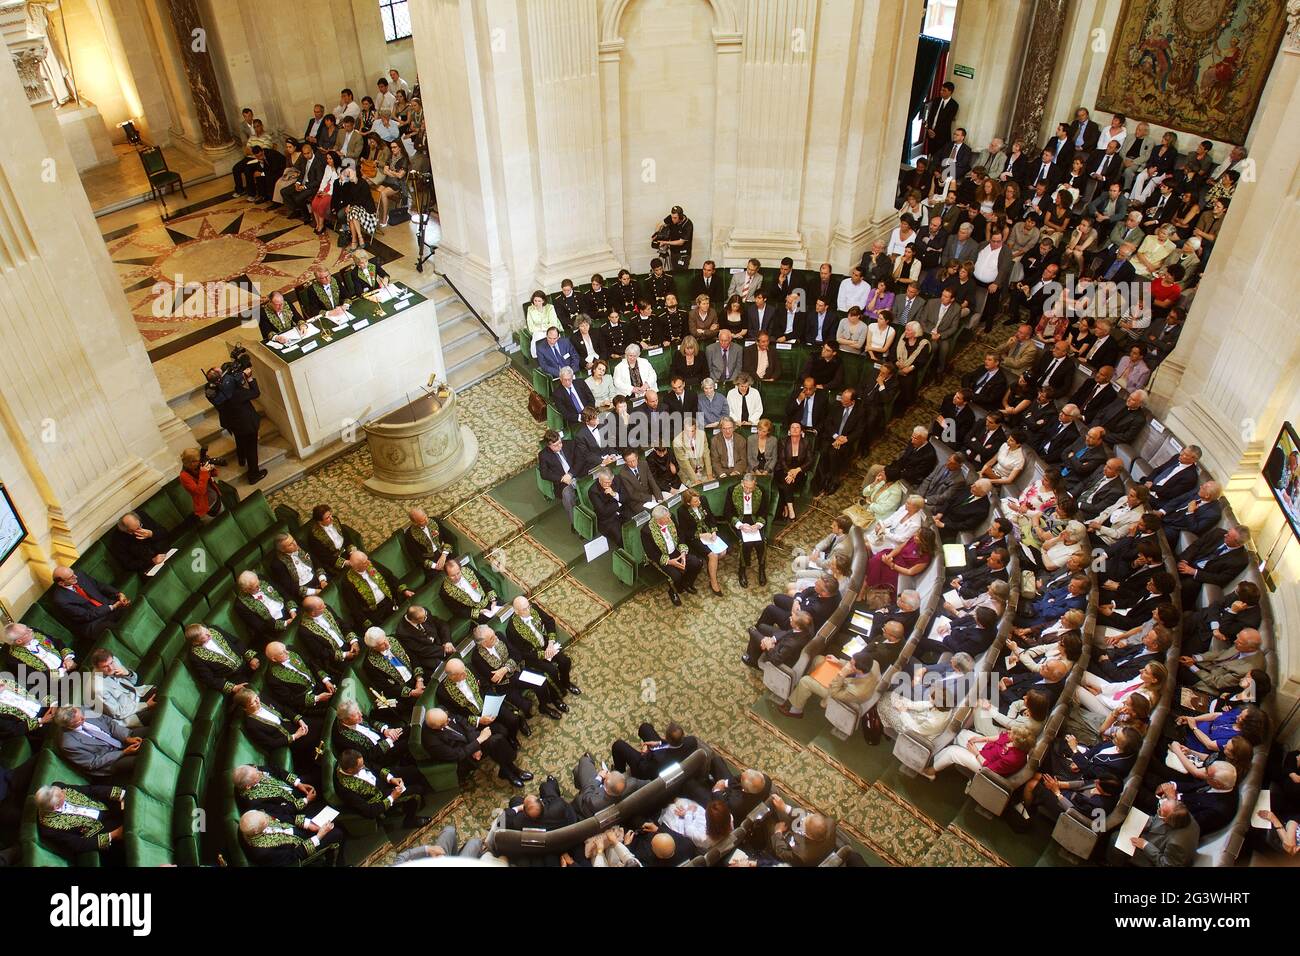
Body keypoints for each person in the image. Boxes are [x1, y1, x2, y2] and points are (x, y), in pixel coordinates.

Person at [203, 356, 264, 484]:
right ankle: (254, 474)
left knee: (239, 439)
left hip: (231, 423)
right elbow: (255, 393)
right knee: (251, 449)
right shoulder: (236, 393)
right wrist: (249, 378)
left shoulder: (211, 392)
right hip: (246, 423)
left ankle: (241, 459)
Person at [34, 782, 126, 862]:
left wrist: (121, 794)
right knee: (129, 827)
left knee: (129, 795)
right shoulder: (48, 829)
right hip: (100, 829)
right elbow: (78, 844)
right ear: (56, 807)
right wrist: (113, 835)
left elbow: (89, 790)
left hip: (103, 805)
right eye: (62, 794)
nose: (64, 791)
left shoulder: (58, 787)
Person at [54, 706, 141, 779]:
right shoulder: (68, 744)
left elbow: (108, 721)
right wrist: (123, 752)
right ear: (69, 726)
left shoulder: (83, 710)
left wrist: (126, 738)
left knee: (147, 737)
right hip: (110, 761)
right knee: (142, 760)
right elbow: (93, 763)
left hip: (118, 737)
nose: (84, 718)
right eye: (79, 720)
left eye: (82, 715)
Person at [47, 567, 127, 644]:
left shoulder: (80, 574)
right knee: (117, 630)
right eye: (71, 577)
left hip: (106, 606)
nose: (76, 576)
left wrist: (118, 594)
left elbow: (99, 586)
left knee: (130, 610)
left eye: (73, 573)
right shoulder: (60, 600)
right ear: (61, 583)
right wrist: (112, 607)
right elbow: (86, 615)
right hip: (93, 623)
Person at [642, 504, 703, 605]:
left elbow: (680, 534)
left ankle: (687, 583)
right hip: (663, 556)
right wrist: (670, 562)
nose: (670, 519)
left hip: (677, 550)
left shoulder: (671, 518)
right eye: (667, 518)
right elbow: (651, 553)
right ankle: (673, 591)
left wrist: (683, 552)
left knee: (697, 563)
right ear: (658, 520)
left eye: (669, 516)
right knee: (676, 576)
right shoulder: (646, 531)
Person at [678, 487, 727, 596]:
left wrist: (714, 531)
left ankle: (711, 568)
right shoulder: (681, 511)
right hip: (695, 538)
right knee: (713, 556)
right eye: (695, 501)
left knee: (723, 552)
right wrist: (701, 535)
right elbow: (685, 532)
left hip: (709, 533)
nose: (699, 502)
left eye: (699, 499)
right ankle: (713, 582)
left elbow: (710, 517)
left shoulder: (703, 500)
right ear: (688, 503)